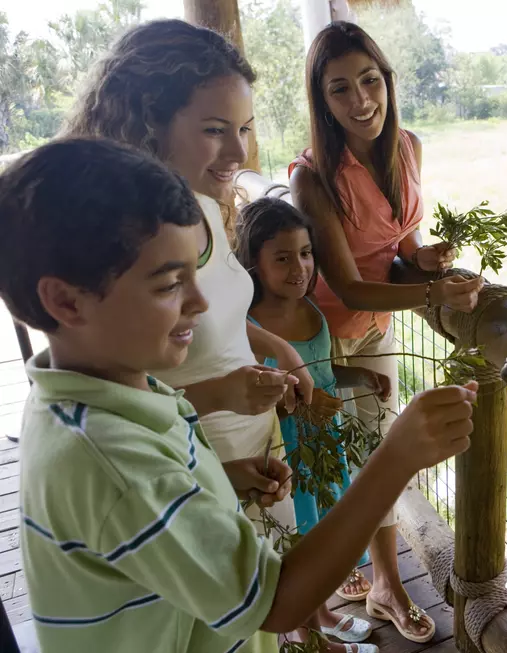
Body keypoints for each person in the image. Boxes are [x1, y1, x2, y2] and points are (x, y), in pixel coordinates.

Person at [2, 137, 477, 653]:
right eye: (168, 284)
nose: (201, 303)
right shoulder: (113, 464)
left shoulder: (98, 398)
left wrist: (220, 480)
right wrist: (397, 457)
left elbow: (149, 499)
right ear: (67, 301)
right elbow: (275, 603)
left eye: (195, 275)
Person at [60, 18, 314, 532]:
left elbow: (212, 315)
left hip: (252, 446)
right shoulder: (119, 247)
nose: (240, 153)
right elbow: (109, 412)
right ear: (148, 123)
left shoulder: (201, 204)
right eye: (215, 130)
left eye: (243, 128)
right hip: (190, 466)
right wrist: (221, 394)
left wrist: (277, 348)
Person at [289, 21, 481, 643]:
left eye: (369, 81)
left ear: (387, 81)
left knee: (377, 449)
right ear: (323, 101)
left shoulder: (409, 147)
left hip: (380, 323)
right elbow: (345, 286)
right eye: (340, 90)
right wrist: (429, 293)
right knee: (334, 459)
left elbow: (399, 247)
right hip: (324, 334)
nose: (361, 100)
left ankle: (378, 583)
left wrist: (422, 262)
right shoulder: (311, 176)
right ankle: (340, 595)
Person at [238, 197, 388, 648]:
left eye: (305, 253)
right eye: (281, 258)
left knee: (322, 529)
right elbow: (261, 395)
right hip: (286, 451)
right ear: (253, 263)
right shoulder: (247, 325)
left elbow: (320, 372)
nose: (298, 267)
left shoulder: (311, 311)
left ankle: (321, 613)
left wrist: (360, 374)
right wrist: (301, 404)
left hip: (325, 446)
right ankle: (306, 635)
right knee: (299, 536)